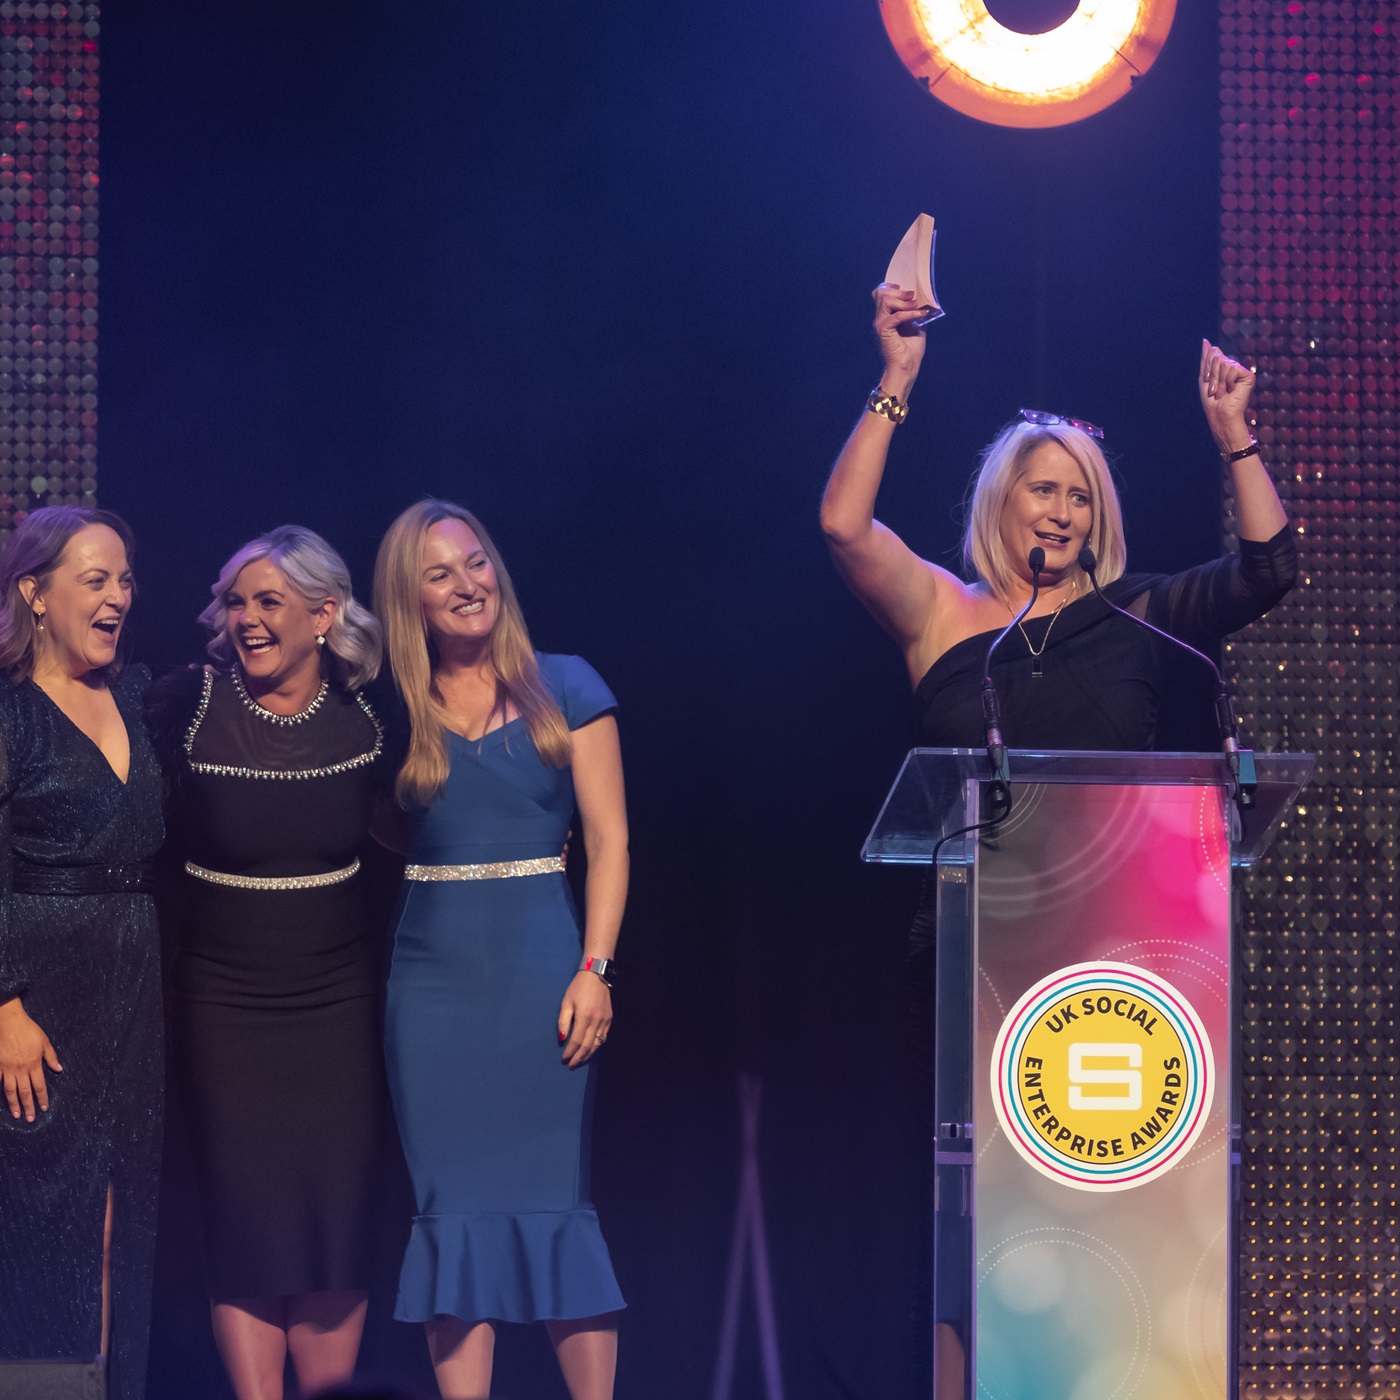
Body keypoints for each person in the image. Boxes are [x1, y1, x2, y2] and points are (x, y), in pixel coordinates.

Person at [820, 285, 1297, 1395]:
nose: (1061, 511)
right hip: (961, 968)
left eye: (1078, 496)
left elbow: (1269, 572)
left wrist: (1234, 435)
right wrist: (895, 376)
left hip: (1109, 970)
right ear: (1003, 497)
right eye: (1042, 488)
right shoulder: (945, 616)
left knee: (1102, 1213)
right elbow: (843, 526)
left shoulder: (1136, 617)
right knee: (968, 1221)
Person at [373, 499, 627, 1400]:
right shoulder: (395, 708)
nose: (466, 584)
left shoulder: (569, 684)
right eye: (439, 574)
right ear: (412, 599)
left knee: (557, 1207)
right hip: (430, 991)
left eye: (475, 563)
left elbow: (611, 841)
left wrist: (595, 969)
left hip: (543, 974)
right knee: (452, 1215)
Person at [145, 526, 391, 1400]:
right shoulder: (186, 703)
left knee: (334, 1223)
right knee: (247, 1227)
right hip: (221, 1004)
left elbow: (411, 827)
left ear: (324, 615)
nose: (246, 619)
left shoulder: (371, 722)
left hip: (337, 1003)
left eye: (268, 602)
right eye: (237, 602)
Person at [0, 507, 165, 1400]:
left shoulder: (138, 695)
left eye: (124, 579)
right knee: (34, 1219)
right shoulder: (9, 713)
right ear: (35, 592)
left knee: (117, 1214)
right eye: (94, 579)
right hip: (35, 1002)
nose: (117, 597)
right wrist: (2, 1006)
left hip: (132, 989)